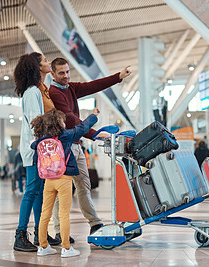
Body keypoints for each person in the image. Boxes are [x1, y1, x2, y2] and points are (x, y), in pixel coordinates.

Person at [49, 57, 131, 240]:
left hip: (77, 146)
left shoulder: (70, 88)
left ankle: (95, 223)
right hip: (63, 148)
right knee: (61, 190)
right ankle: (58, 231)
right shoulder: (54, 92)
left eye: (67, 72)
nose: (66, 76)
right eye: (61, 73)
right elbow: (70, 119)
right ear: (53, 74)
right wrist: (94, 133)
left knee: (84, 185)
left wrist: (118, 76)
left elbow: (92, 86)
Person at [30, 107, 99, 257]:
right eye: (62, 120)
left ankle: (42, 247)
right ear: (58, 123)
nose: (64, 122)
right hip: (64, 178)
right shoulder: (66, 136)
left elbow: (35, 152)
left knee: (45, 213)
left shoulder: (41, 141)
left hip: (48, 180)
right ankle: (66, 248)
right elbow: (83, 127)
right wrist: (93, 116)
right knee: (63, 214)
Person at [12, 52, 59, 252]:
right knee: (32, 190)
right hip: (34, 150)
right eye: (45, 61)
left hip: (38, 148)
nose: (48, 63)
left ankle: (41, 234)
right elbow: (35, 123)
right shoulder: (32, 92)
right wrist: (42, 148)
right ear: (37, 67)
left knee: (39, 192)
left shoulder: (38, 90)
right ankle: (20, 235)